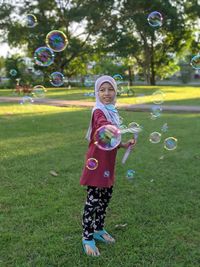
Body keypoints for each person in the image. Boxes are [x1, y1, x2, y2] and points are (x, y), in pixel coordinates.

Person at [80, 75, 135, 256]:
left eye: (110, 89)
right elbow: (102, 127)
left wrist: (124, 144)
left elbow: (110, 139)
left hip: (107, 164)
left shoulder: (112, 111)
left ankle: (98, 229)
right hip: (96, 164)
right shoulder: (98, 111)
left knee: (105, 199)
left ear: (115, 91)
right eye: (102, 90)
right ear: (97, 93)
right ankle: (87, 237)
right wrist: (110, 127)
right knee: (93, 201)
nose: (107, 93)